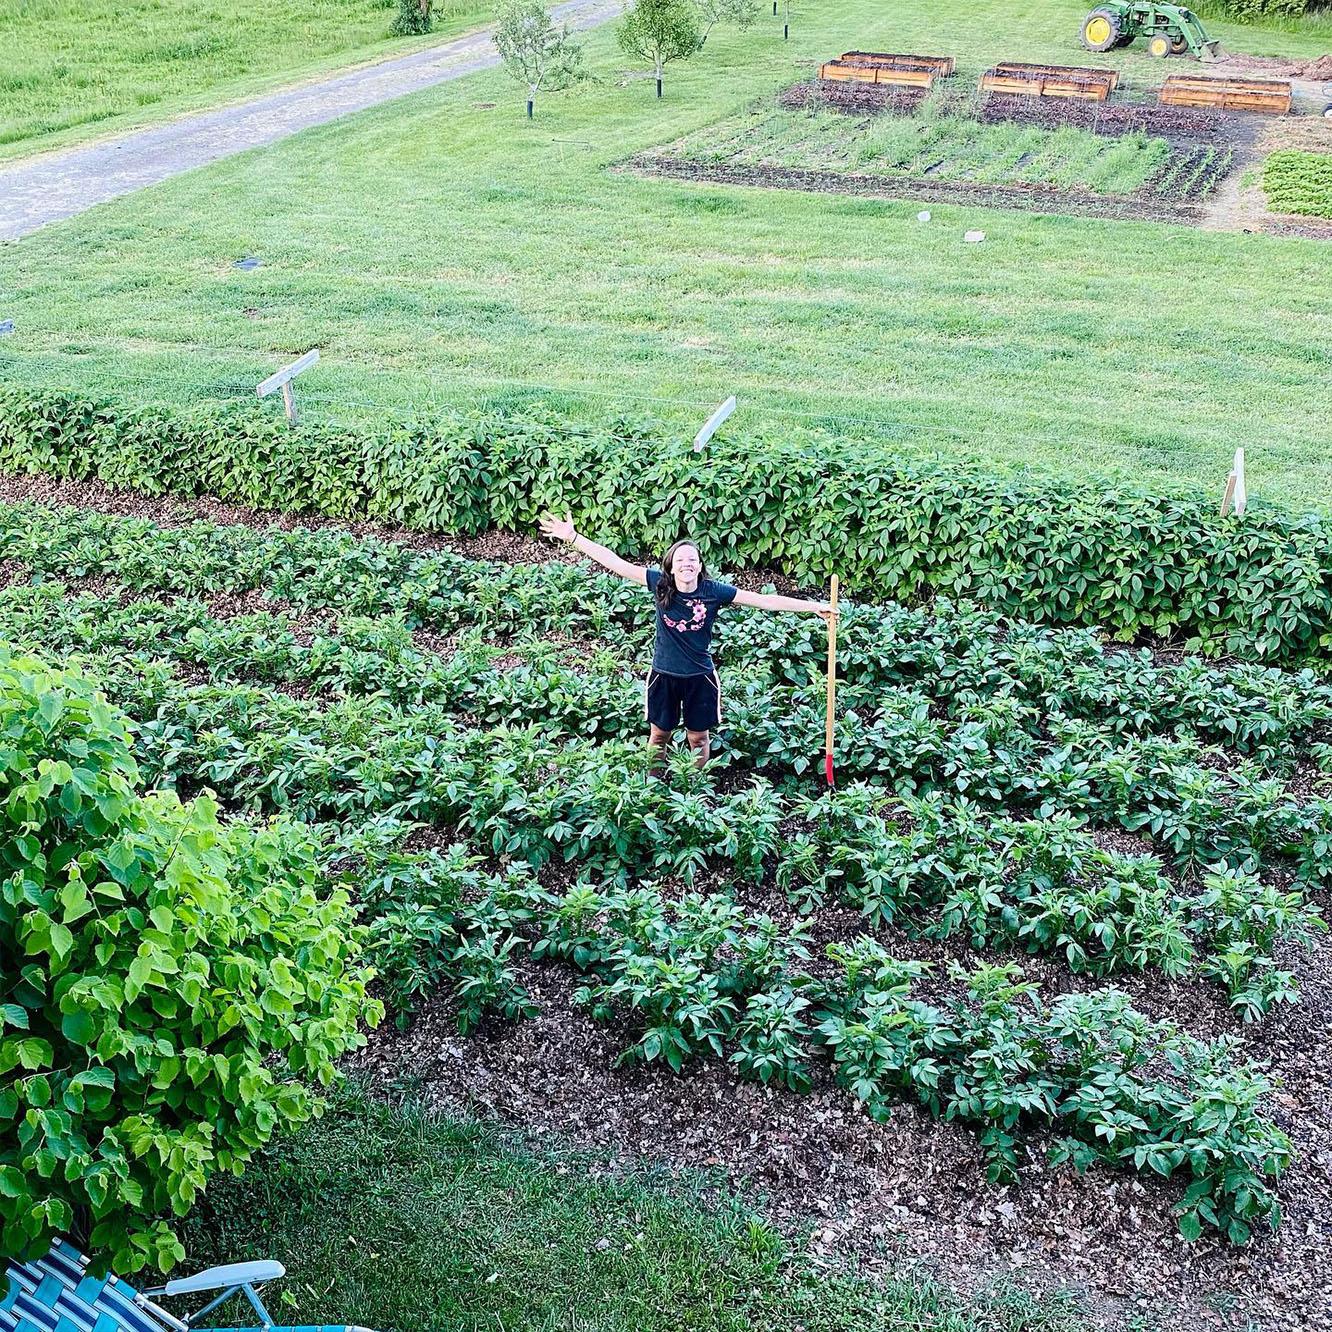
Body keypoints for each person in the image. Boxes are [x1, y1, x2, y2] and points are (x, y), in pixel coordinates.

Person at [538, 513, 833, 772]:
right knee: (659, 736)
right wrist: (574, 538)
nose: (686, 564)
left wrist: (813, 608)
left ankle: (695, 786)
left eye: (692, 559)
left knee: (698, 738)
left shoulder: (713, 591)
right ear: (671, 565)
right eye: (680, 560)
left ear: (700, 565)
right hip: (663, 675)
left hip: (699, 677)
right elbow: (616, 563)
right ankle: (653, 786)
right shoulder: (659, 583)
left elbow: (764, 600)